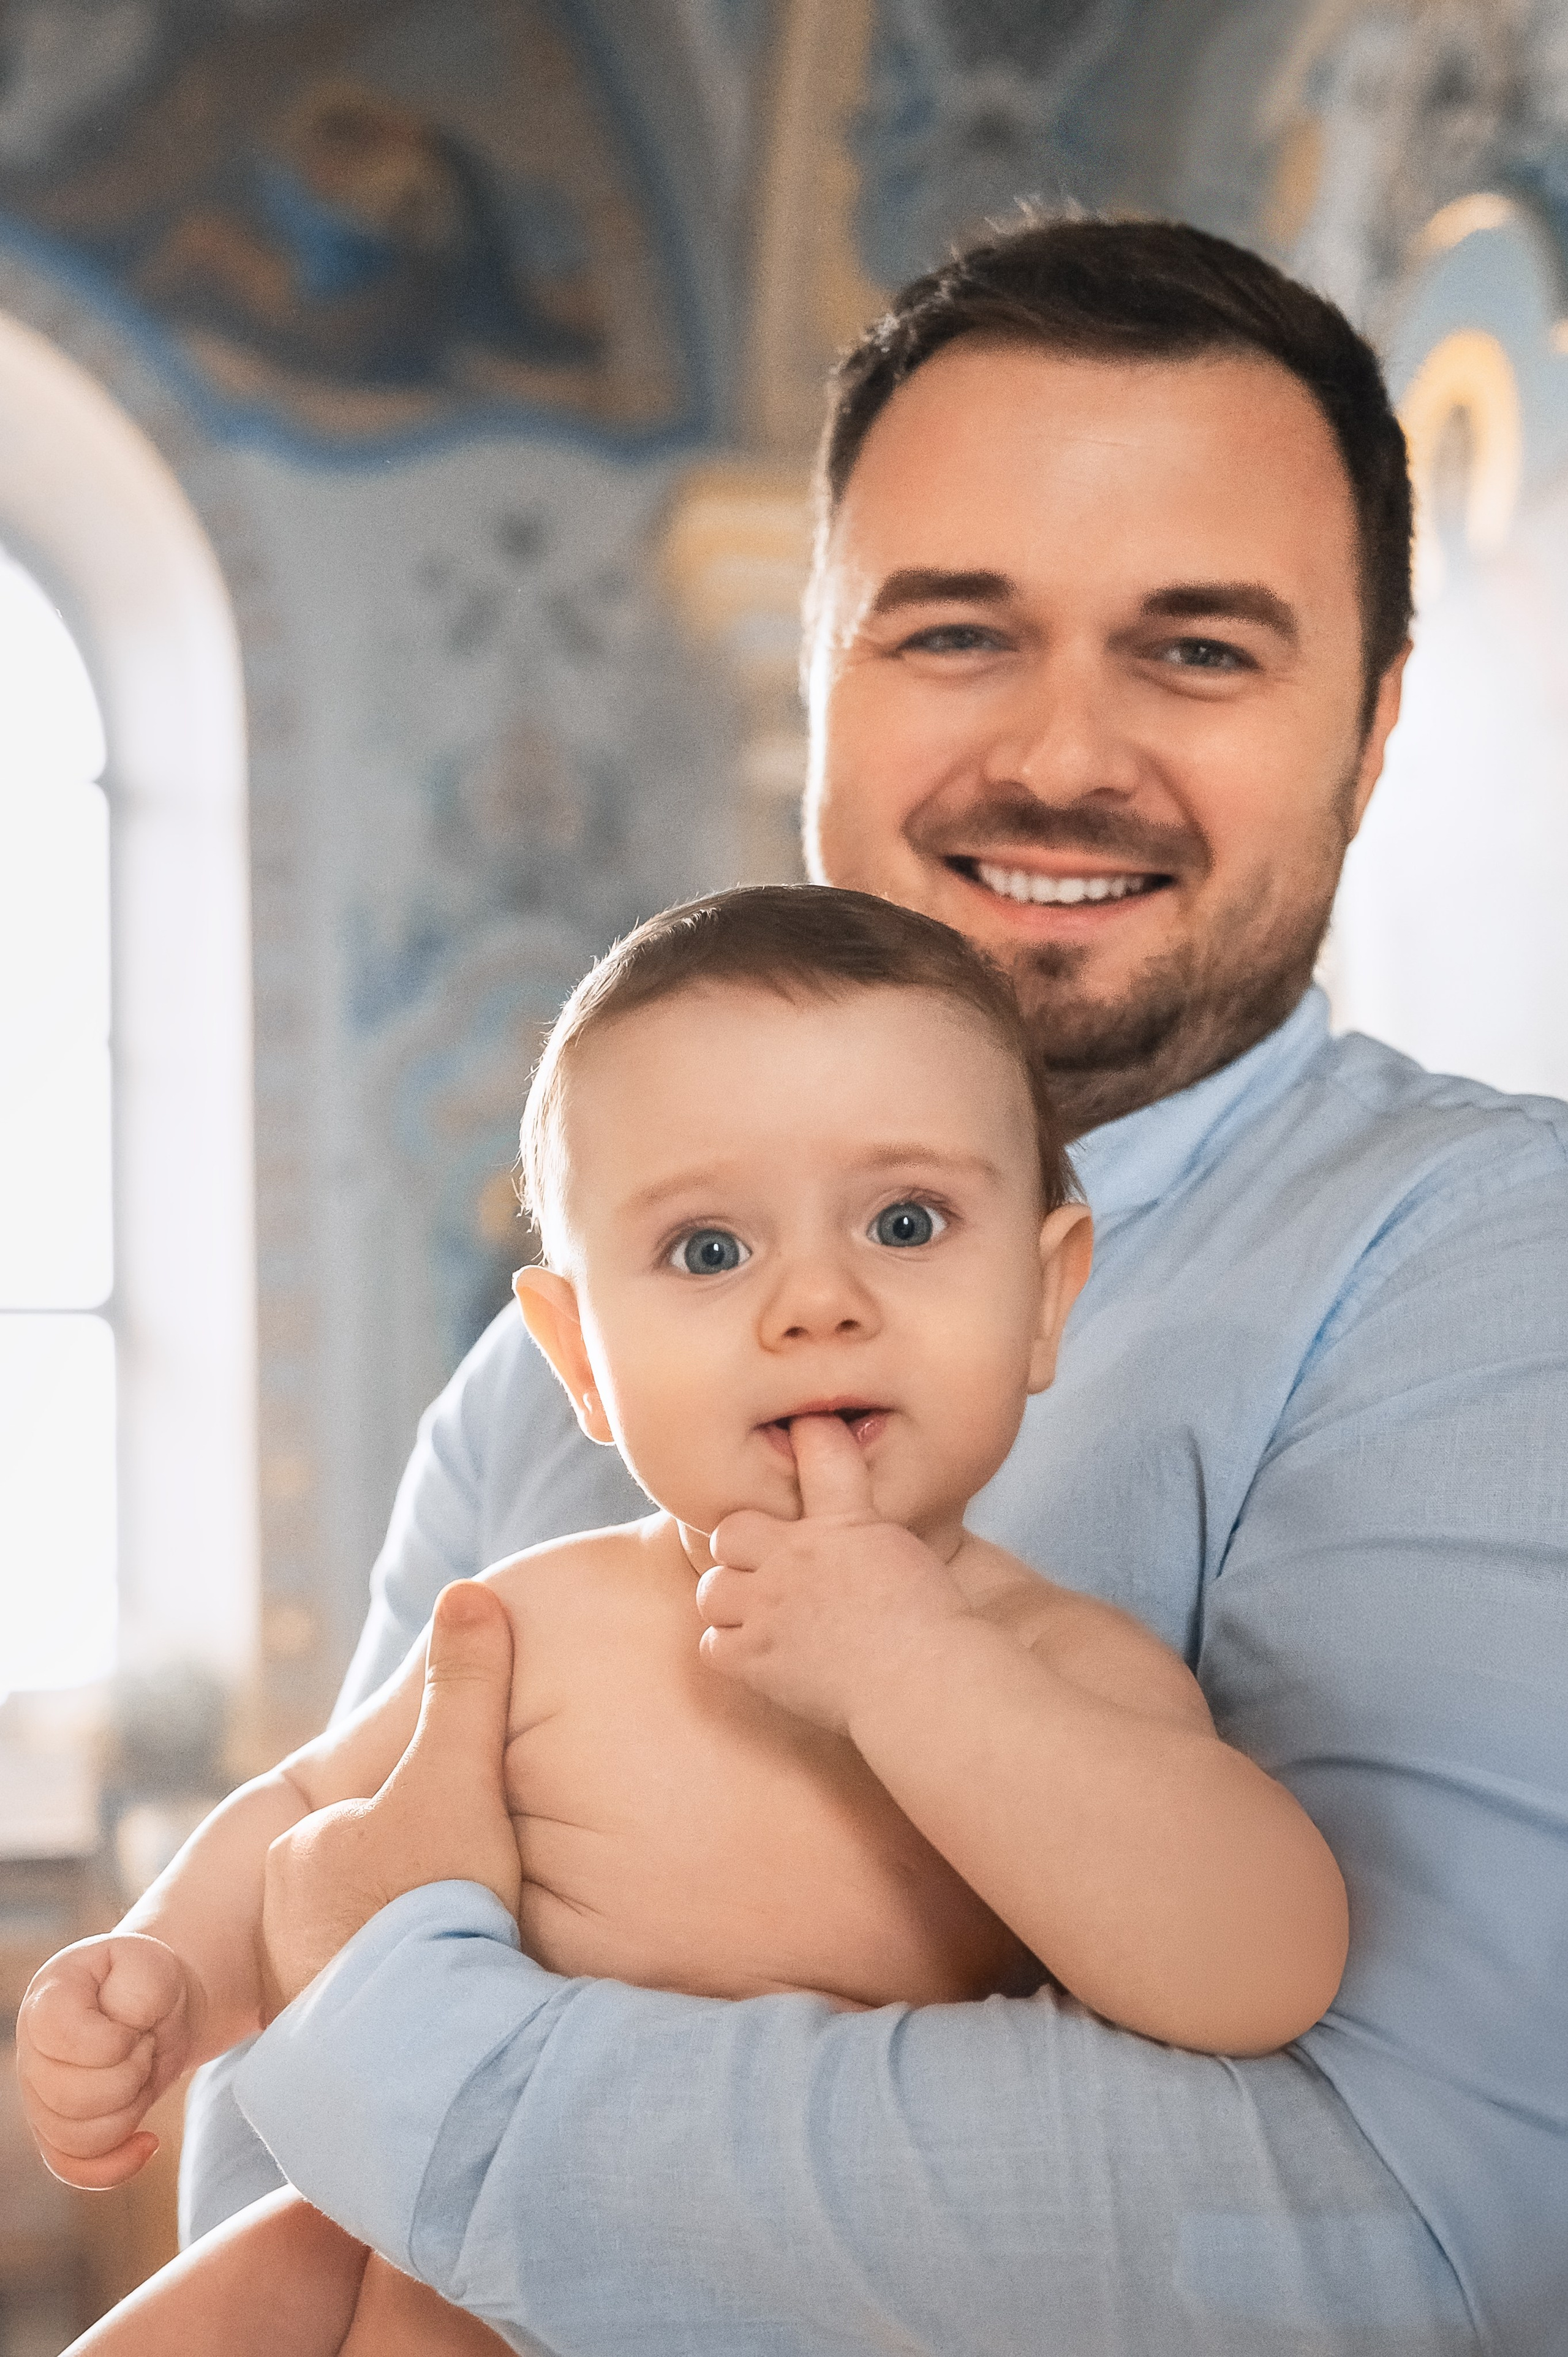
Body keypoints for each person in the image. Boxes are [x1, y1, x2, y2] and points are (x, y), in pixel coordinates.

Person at [189, 217, 1564, 2353]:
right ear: (819, 682)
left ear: (1372, 732)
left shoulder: (1500, 1262)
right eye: (953, 635)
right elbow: (251, 2171)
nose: (1061, 753)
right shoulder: (553, 1352)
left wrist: (401, 2030)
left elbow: (1405, 2228)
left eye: (1199, 648)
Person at [17, 889, 1353, 2356]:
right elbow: (303, 1809)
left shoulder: (1058, 1671)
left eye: (904, 1222)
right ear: (579, 1357)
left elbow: (1263, 1969)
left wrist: (912, 1665)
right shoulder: (529, 1625)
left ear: (1043, 1298)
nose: (816, 1302)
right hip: (424, 2276)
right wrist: (167, 1977)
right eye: (709, 1251)